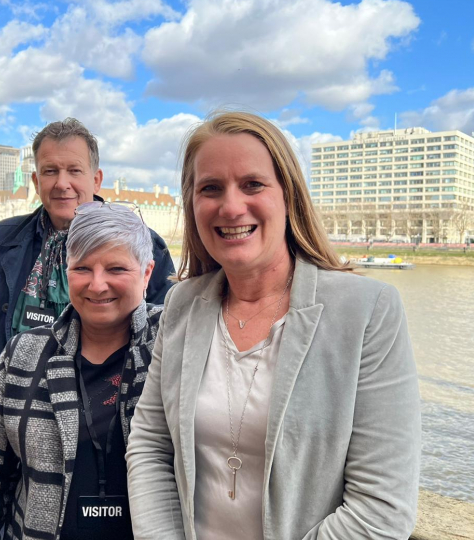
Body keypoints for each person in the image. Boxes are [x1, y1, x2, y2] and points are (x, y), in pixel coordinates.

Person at [125, 111, 421, 539]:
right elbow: (151, 444)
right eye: (210, 188)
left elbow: (382, 508)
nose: (230, 206)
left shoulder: (368, 310)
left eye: (253, 184)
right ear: (192, 205)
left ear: (289, 196)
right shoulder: (181, 305)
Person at [0, 118, 175, 540]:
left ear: (96, 177)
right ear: (35, 179)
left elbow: (163, 342)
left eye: (74, 171)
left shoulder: (144, 244)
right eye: (50, 172)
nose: (62, 184)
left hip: (98, 449)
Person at [0, 202, 162, 539]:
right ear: (66, 271)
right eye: (82, 269)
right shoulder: (23, 355)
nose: (97, 284)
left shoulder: (173, 347)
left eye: (116, 269)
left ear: (147, 273)